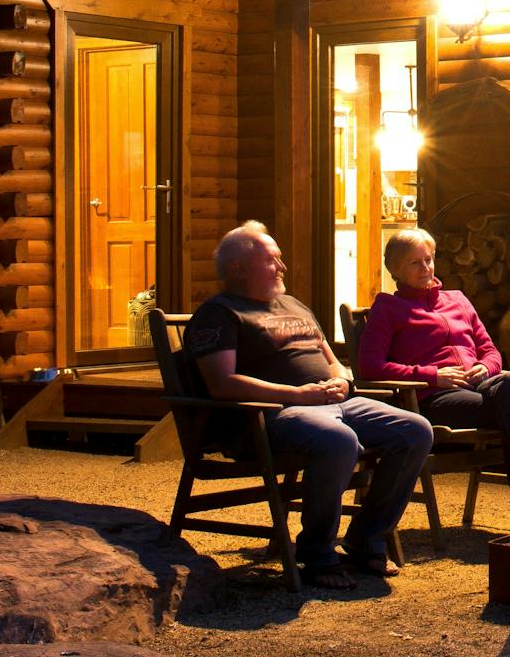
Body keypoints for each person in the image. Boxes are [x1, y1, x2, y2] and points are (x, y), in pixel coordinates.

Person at [185, 221, 433, 590]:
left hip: (330, 402)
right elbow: (223, 384)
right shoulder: (220, 313)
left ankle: (366, 539)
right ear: (239, 269)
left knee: (415, 430)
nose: (283, 267)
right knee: (339, 441)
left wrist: (340, 379)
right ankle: (317, 553)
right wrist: (299, 395)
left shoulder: (293, 305)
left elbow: (331, 359)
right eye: (273, 260)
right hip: (270, 416)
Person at [356, 228, 510, 526]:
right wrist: (431, 376)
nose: (426, 268)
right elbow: (369, 367)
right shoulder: (388, 308)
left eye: (429, 260)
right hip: (433, 399)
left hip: (482, 387)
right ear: (395, 269)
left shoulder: (458, 300)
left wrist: (486, 367)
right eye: (415, 263)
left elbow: (489, 350)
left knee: (508, 382)